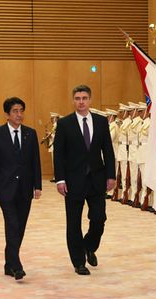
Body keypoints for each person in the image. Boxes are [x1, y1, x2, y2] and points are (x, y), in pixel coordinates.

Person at [53, 84, 116, 275]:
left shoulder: (101, 121)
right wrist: (60, 179)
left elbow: (108, 150)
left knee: (99, 218)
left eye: (84, 98)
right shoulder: (65, 124)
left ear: (90, 100)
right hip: (73, 182)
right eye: (78, 98)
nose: (81, 102)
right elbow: (59, 154)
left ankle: (89, 245)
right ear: (73, 100)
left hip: (97, 179)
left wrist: (111, 175)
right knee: (73, 223)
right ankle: (78, 262)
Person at [0, 97, 42, 281]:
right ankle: (16, 266)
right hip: (5, 188)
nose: (19, 114)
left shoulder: (30, 134)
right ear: (7, 115)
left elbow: (35, 162)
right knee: (12, 224)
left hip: (25, 188)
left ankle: (9, 264)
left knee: (20, 227)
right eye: (15, 111)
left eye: (21, 111)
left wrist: (38, 185)